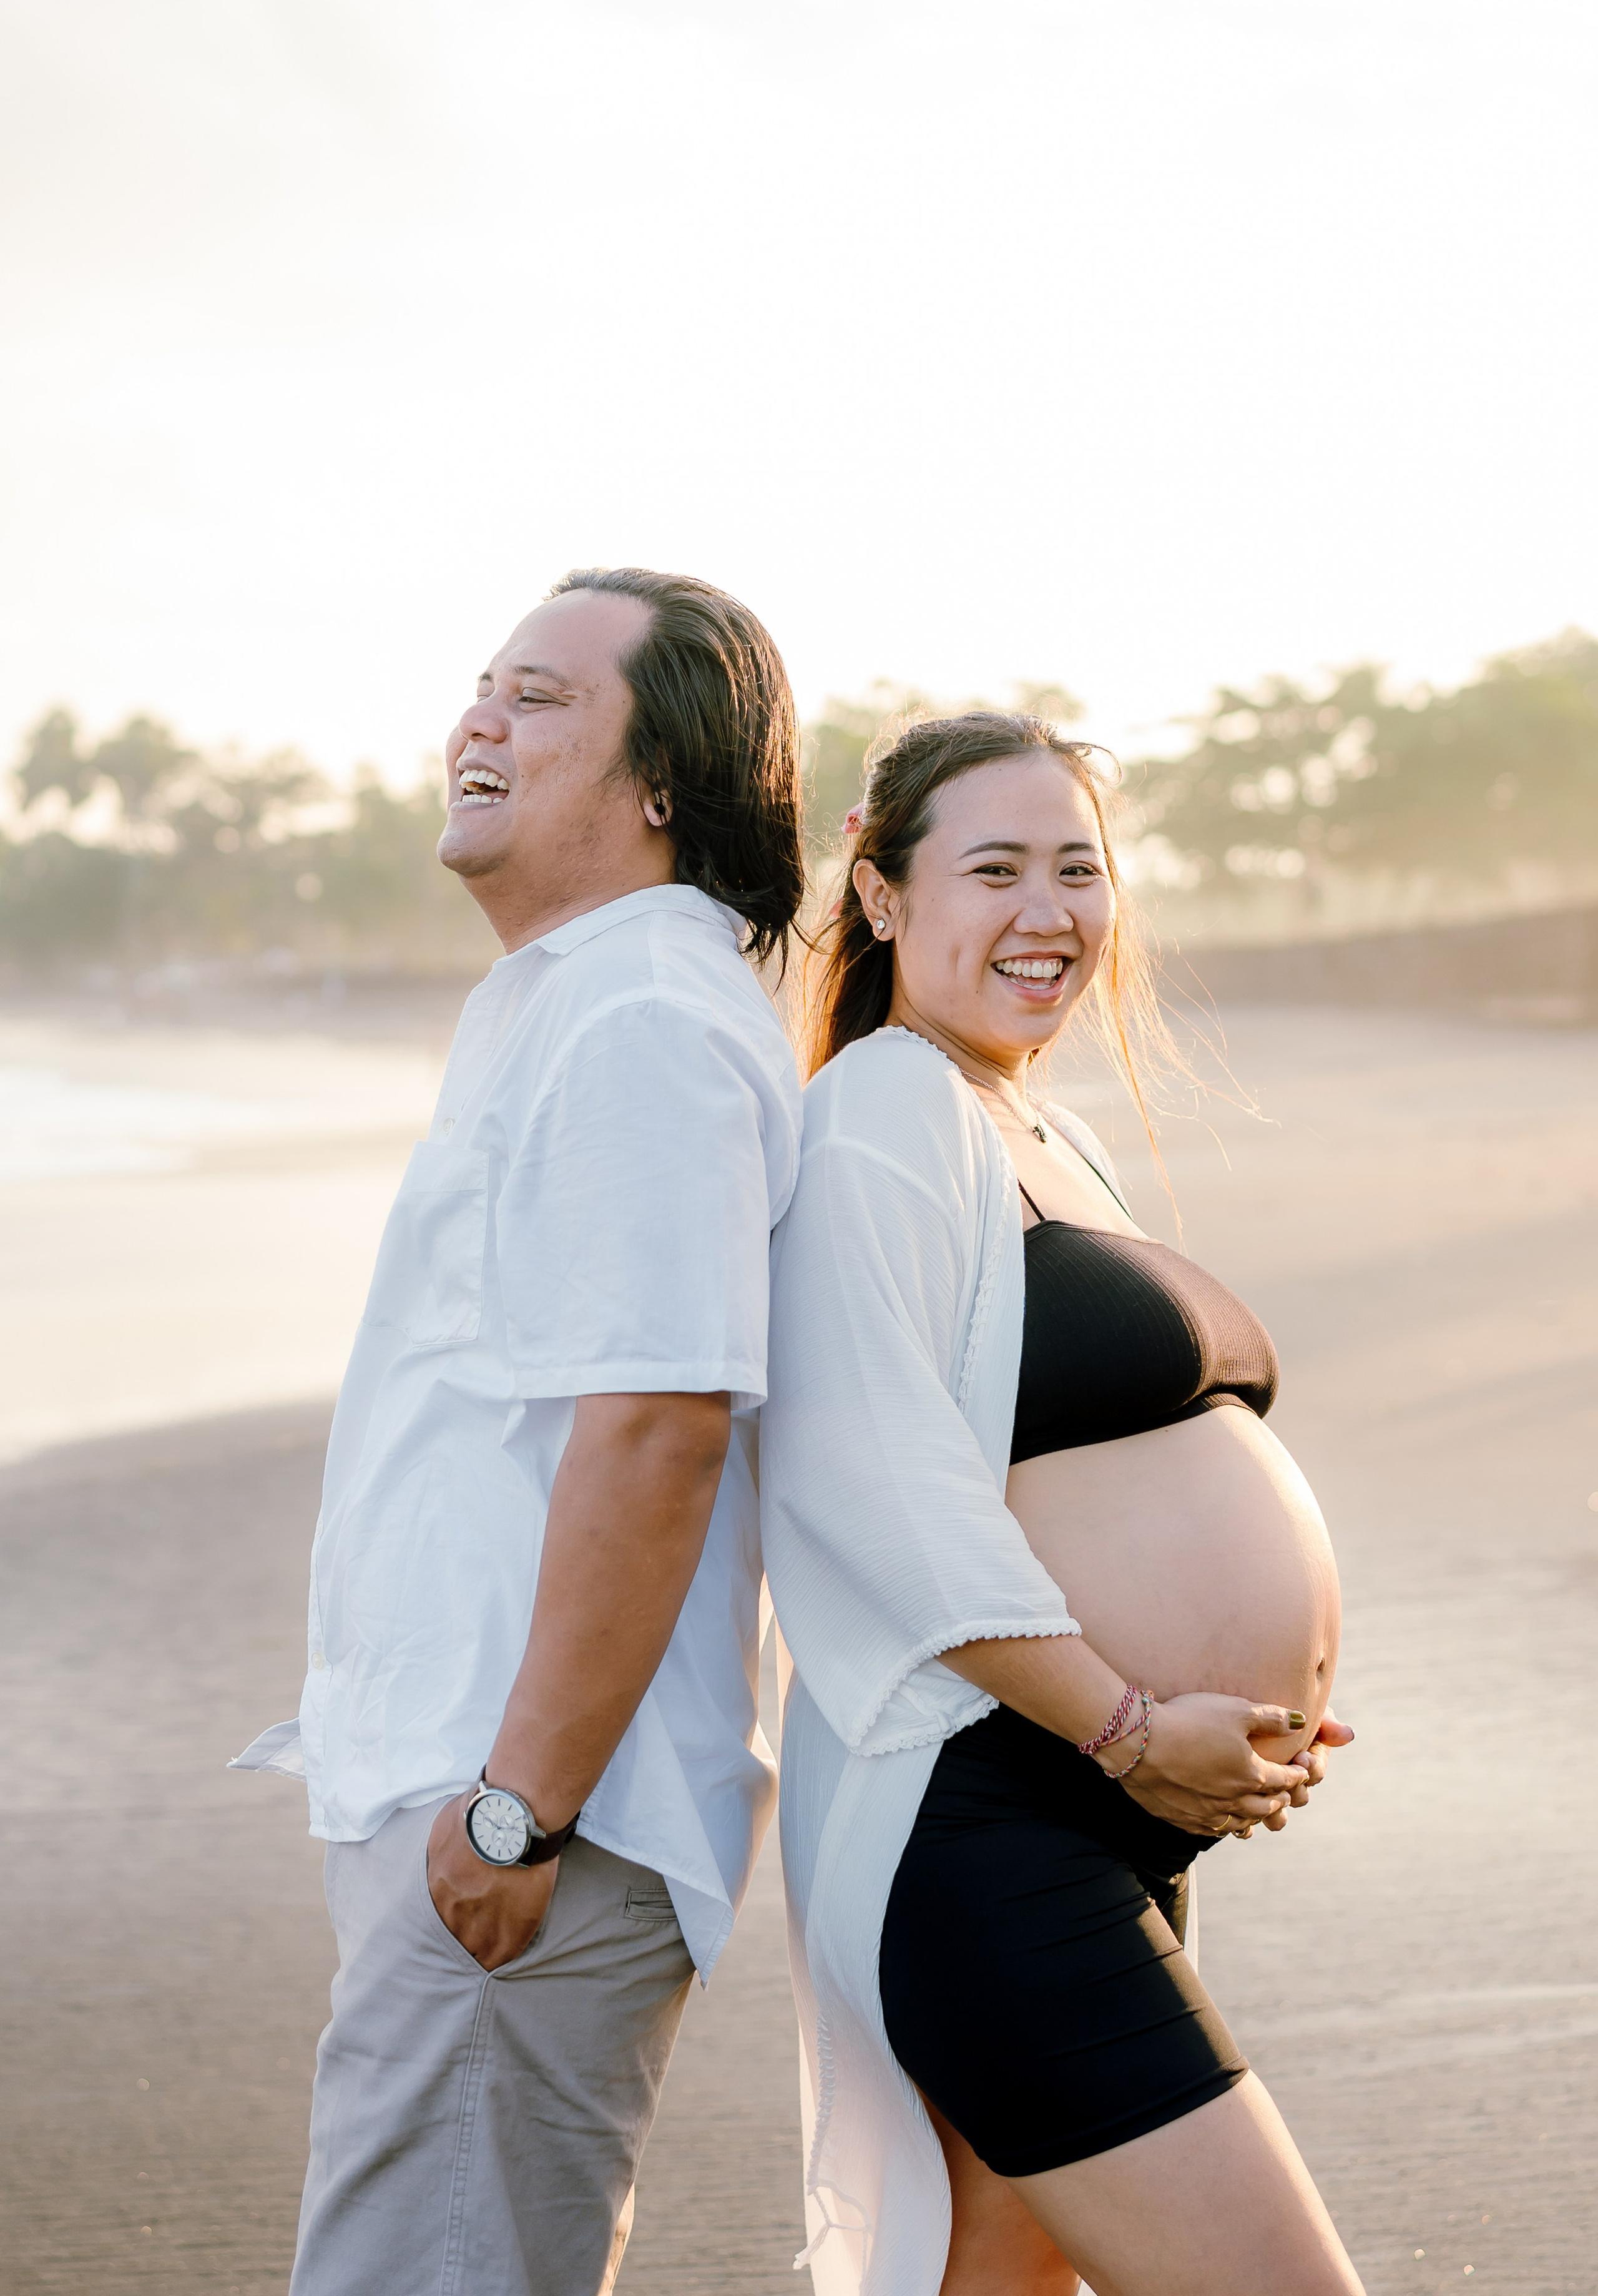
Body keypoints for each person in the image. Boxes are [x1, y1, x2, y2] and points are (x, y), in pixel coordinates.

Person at [233, 567, 806, 2296]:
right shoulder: (574, 1000)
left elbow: (659, 1427)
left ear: (662, 789)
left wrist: (514, 1817)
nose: (478, 719)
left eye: (542, 696)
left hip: (534, 1830)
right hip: (503, 1811)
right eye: (483, 685)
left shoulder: (638, 1019)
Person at [760, 710, 1361, 2296]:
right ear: (881, 896)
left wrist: (1224, 1715)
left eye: (1079, 871)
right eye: (995, 869)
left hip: (1092, 1801)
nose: (1049, 913)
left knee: (1004, 2281)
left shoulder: (1037, 1126)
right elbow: (867, 1486)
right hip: (982, 1820)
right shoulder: (879, 1112)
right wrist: (1120, 1726)